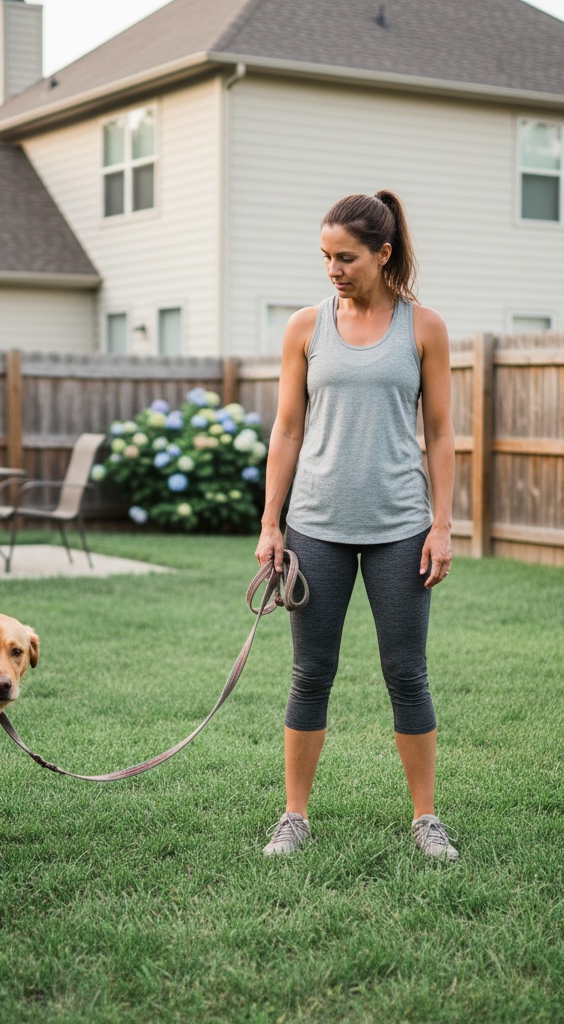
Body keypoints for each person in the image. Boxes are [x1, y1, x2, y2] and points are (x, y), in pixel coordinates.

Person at [255, 190, 458, 861]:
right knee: (310, 674)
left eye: (346, 257)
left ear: (383, 254)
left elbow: (440, 433)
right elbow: (287, 429)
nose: (333, 269)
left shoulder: (424, 328)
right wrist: (271, 523)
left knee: (407, 674)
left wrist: (441, 525)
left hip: (402, 527)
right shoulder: (305, 327)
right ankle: (294, 816)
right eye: (326, 257)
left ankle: (426, 818)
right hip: (316, 526)